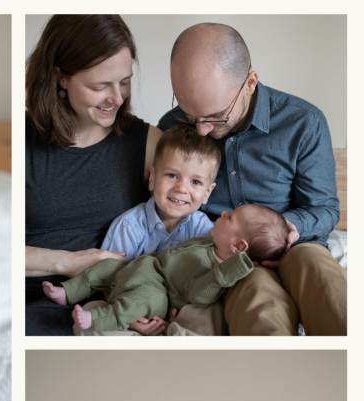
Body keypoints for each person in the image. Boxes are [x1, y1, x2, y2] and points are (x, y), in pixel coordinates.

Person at [159, 22, 346, 335]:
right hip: (224, 254)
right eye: (192, 115)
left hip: (298, 246)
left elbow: (324, 209)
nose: (202, 130)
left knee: (322, 279)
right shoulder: (173, 127)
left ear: (250, 82)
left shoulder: (303, 121)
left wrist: (280, 231)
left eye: (216, 116)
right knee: (259, 296)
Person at [25, 15, 167, 336]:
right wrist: (67, 263)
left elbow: (179, 233)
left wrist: (142, 301)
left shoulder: (149, 144)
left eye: (125, 81)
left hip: (109, 308)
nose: (117, 98)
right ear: (60, 77)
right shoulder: (21, 141)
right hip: (28, 303)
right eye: (100, 86)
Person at [43, 203, 286, 331]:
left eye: (230, 218)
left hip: (159, 292)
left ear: (238, 246)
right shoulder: (210, 240)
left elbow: (200, 296)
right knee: (105, 266)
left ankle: (95, 318)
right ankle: (69, 291)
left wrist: (224, 275)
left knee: (139, 300)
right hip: (144, 267)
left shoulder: (217, 272)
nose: (223, 213)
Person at [100, 125, 220, 259]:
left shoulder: (204, 230)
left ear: (207, 193)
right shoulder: (128, 227)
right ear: (152, 178)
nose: (182, 188)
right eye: (172, 175)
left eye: (196, 182)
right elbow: (108, 274)